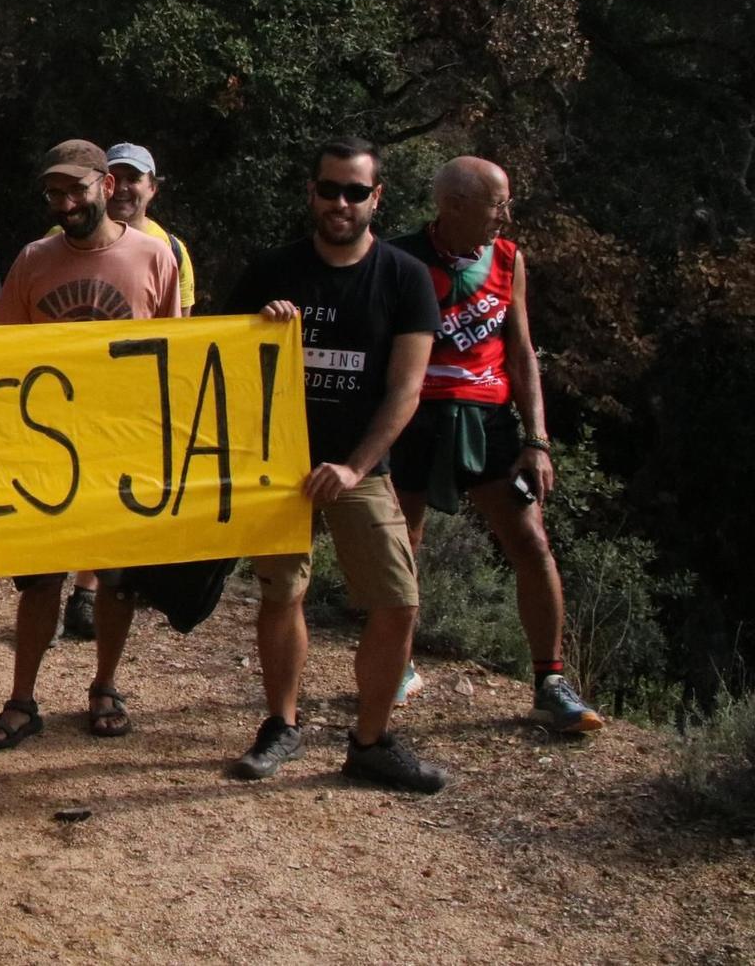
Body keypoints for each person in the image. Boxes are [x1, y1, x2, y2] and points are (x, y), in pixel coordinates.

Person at [226, 136, 446, 793]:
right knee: (281, 593)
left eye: (356, 191)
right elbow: (220, 367)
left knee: (398, 601)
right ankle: (281, 723)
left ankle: (371, 741)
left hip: (359, 469)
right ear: (311, 193)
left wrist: (353, 468)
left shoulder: (405, 278)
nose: (341, 202)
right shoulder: (271, 270)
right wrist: (257, 331)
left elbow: (406, 390)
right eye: (330, 189)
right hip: (278, 471)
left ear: (377, 197)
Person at [0, 140, 180, 750]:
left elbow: (175, 355)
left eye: (76, 190)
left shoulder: (154, 255)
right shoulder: (34, 259)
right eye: (55, 193)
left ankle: (105, 686)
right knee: (40, 580)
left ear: (107, 187)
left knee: (117, 579)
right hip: (45, 452)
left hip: (122, 447)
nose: (65, 202)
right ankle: (22, 699)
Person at [388, 157, 602, 731]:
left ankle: (550, 682)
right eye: (495, 203)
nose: (504, 214)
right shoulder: (398, 258)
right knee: (403, 546)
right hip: (416, 417)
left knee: (530, 541)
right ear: (452, 204)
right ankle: (395, 665)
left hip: (490, 421)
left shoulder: (508, 259)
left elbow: (522, 349)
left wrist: (537, 438)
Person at [59, 140, 200, 640]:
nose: (125, 187)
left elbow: (179, 333)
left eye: (135, 177)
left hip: (130, 413)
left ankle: (92, 592)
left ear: (150, 188)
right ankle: (79, 590)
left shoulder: (170, 251)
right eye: (116, 175)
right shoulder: (60, 237)